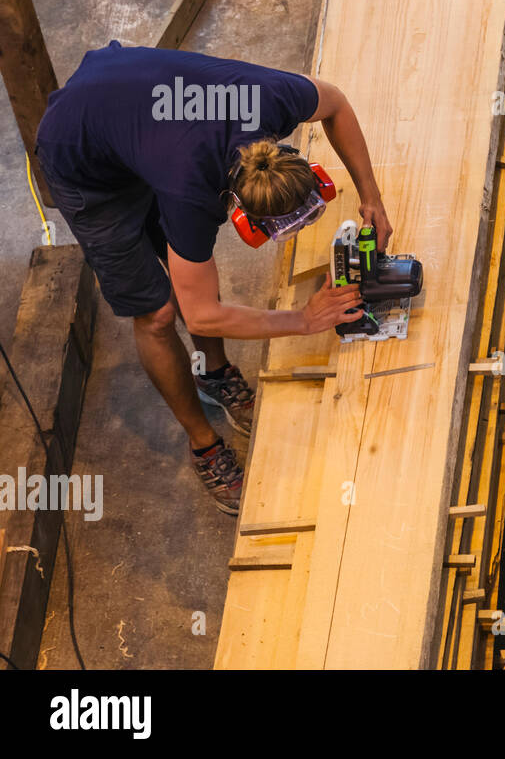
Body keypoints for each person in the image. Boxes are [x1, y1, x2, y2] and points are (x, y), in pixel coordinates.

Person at [34, 41, 392, 514]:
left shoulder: (269, 98)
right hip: (80, 158)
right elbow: (202, 314)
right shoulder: (191, 194)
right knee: (159, 313)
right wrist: (303, 321)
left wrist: (372, 195)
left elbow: (337, 104)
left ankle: (214, 374)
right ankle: (204, 445)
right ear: (238, 213)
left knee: (190, 269)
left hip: (131, 113)